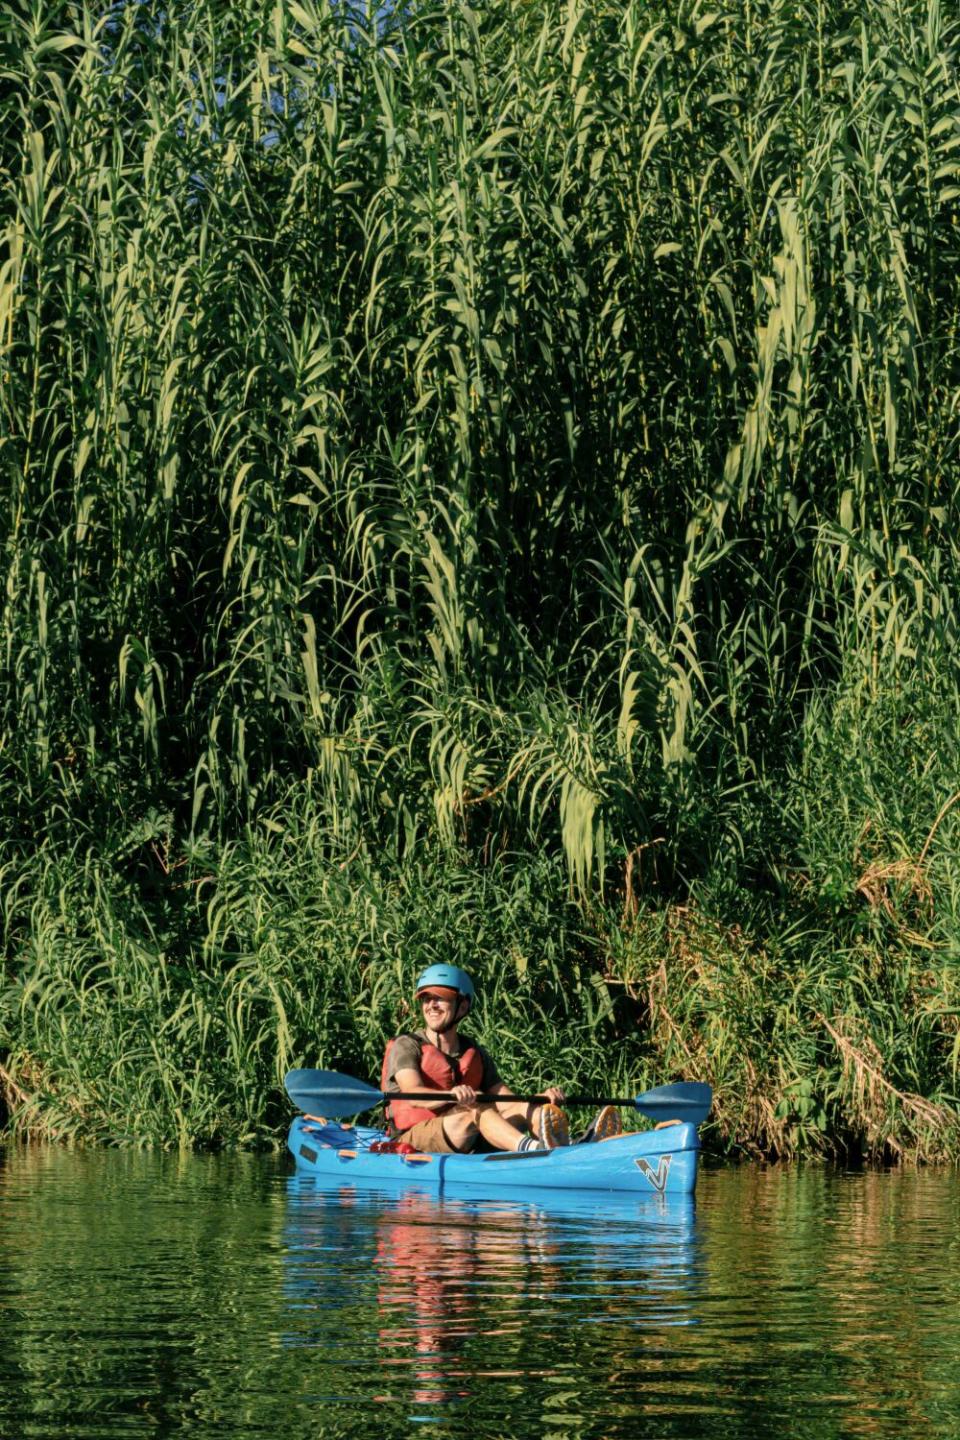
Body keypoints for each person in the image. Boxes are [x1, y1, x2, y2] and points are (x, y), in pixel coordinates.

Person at [381, 964, 622, 1154]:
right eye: (426, 998)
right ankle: (535, 1151)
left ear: (463, 1007)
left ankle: (565, 1147)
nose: (431, 1005)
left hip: (460, 1132)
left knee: (525, 1106)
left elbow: (505, 1098)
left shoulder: (473, 1051)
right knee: (476, 1110)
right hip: (412, 1136)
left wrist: (539, 1100)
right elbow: (412, 1093)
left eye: (440, 998)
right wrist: (452, 1095)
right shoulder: (407, 1045)